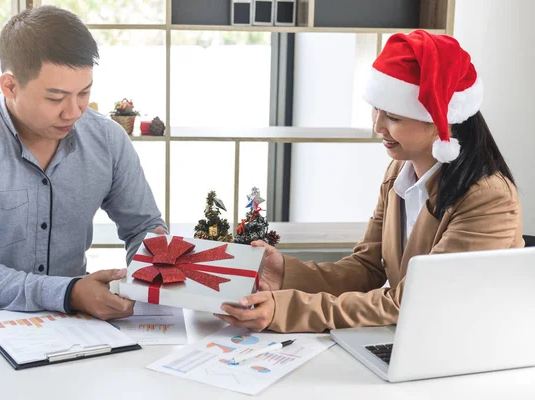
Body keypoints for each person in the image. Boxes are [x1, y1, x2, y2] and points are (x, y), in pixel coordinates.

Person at [216, 30, 524, 332]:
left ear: (441, 120)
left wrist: (285, 308)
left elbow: (416, 303)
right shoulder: (398, 172)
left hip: (468, 347)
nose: (377, 126)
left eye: (394, 117)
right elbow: (366, 268)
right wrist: (286, 271)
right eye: (376, 109)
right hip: (419, 337)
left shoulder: (488, 198)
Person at [0, 6, 167, 320]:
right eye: (55, 98)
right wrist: (68, 292)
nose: (73, 111)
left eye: (84, 92)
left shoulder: (108, 139)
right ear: (10, 86)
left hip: (70, 326)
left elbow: (144, 227)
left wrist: (147, 278)